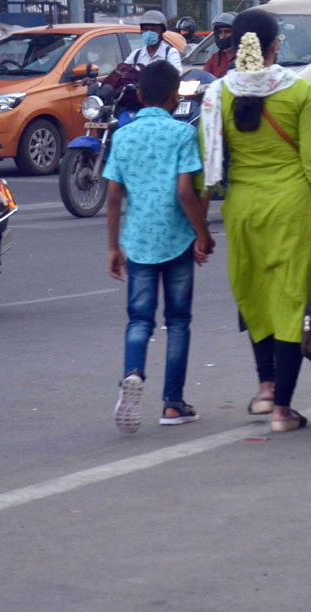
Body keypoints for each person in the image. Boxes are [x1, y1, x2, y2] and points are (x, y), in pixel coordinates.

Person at [199, 9, 311, 433]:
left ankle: (264, 389)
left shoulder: (216, 95)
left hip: (242, 210)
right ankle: (282, 409)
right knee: (291, 302)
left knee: (256, 297)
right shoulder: (298, 92)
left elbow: (209, 168)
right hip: (293, 211)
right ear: (275, 45)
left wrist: (199, 229)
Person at [105, 60, 214, 433]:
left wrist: (113, 247)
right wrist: (202, 234)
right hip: (177, 240)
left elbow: (113, 197)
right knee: (178, 321)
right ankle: (172, 404)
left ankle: (133, 373)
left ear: (137, 96)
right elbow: (186, 192)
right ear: (174, 97)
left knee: (139, 319)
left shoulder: (122, 136)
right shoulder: (182, 134)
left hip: (137, 241)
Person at [202, 12, 237, 78]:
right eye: (220, 32)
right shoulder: (214, 58)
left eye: (227, 31)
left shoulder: (246, 58)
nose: (222, 36)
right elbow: (204, 78)